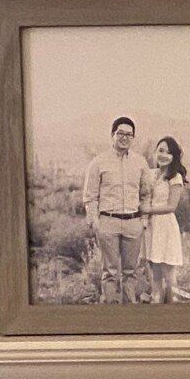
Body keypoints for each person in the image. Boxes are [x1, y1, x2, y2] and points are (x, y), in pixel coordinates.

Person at [82, 115, 150, 303]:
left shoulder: (140, 162)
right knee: (110, 272)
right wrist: (95, 222)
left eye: (129, 134)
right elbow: (90, 196)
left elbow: (146, 193)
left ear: (133, 138)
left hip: (133, 223)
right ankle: (111, 317)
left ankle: (129, 315)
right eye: (120, 133)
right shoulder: (98, 162)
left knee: (131, 271)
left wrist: (144, 220)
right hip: (108, 222)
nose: (125, 137)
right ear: (113, 135)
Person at [142, 135, 188, 303]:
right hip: (152, 227)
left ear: (174, 157)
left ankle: (170, 309)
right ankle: (156, 305)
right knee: (154, 272)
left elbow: (171, 206)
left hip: (166, 226)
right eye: (160, 151)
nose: (163, 155)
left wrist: (148, 210)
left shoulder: (175, 177)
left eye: (168, 153)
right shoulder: (151, 174)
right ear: (155, 152)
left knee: (168, 276)